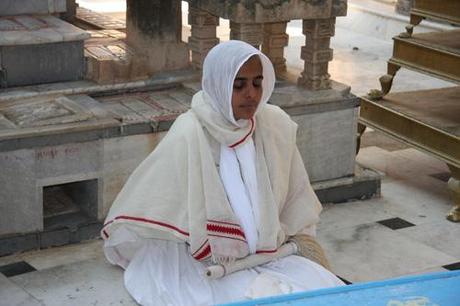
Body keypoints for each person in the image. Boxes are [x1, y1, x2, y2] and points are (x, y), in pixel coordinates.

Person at [101, 40, 344, 305]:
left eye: (257, 82)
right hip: (210, 258)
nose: (251, 94)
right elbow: (155, 196)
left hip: (268, 250)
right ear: (218, 83)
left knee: (321, 288)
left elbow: (295, 194)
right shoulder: (189, 131)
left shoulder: (273, 124)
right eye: (238, 85)